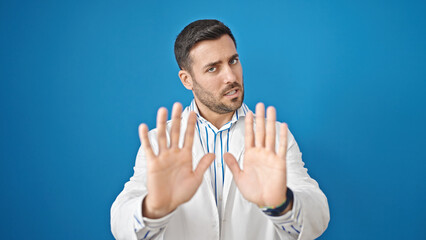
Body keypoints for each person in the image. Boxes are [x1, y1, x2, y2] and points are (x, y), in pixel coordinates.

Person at [111, 19, 329, 240]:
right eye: (213, 68)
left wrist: (282, 204)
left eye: (233, 61)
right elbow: (122, 224)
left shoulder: (273, 136)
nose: (231, 77)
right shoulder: (160, 142)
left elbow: (317, 214)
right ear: (187, 80)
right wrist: (155, 209)